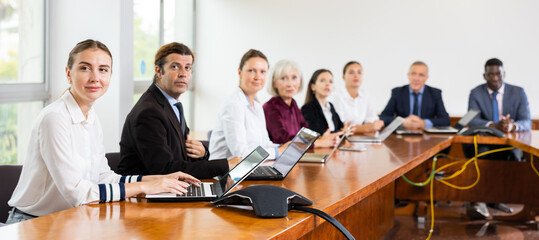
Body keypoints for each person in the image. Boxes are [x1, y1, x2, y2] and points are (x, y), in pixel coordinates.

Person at [6, 40, 200, 224]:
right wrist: (143, 187)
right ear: (68, 73)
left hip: (71, 219)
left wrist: (156, 179)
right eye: (84, 68)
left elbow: (103, 178)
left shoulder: (90, 117)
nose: (95, 78)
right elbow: (78, 194)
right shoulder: (54, 118)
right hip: (33, 223)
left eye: (103, 70)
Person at [118, 42, 228, 179]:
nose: (183, 74)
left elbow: (180, 158)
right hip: (144, 195)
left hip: (169, 187)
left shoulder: (172, 104)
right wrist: (226, 165)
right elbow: (166, 170)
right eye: (175, 67)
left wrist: (202, 153)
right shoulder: (149, 112)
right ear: (158, 71)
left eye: (188, 68)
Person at [209, 49, 287, 160]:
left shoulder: (257, 104)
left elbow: (264, 143)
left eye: (263, 72)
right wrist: (278, 152)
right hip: (229, 173)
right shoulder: (234, 104)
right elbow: (240, 154)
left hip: (250, 167)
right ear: (240, 72)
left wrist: (284, 147)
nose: (257, 77)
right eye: (251, 71)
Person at [263, 60, 340, 147]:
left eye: (294, 78)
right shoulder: (270, 107)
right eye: (283, 78)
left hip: (297, 155)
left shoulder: (293, 103)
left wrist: (322, 138)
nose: (290, 84)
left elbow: (305, 130)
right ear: (274, 83)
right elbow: (283, 139)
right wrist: (319, 143)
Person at [380, 61, 450, 130]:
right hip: (402, 136)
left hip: (426, 137)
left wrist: (424, 123)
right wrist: (402, 122)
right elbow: (384, 117)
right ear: (408, 75)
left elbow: (445, 120)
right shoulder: (398, 92)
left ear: (426, 78)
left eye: (421, 75)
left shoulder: (435, 93)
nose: (416, 78)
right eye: (413, 74)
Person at [468, 58, 531, 132]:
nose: (495, 78)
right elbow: (472, 121)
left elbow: (526, 121)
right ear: (485, 76)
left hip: (512, 138)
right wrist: (494, 125)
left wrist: (512, 126)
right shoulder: (476, 93)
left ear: (504, 74)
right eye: (491, 75)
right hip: (486, 138)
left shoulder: (518, 92)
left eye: (498, 74)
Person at [331, 61, 384, 134]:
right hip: (344, 138)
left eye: (359, 72)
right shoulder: (337, 97)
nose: (356, 75)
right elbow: (342, 126)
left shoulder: (365, 95)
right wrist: (367, 128)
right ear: (343, 77)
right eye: (351, 72)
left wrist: (365, 127)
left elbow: (373, 119)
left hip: (363, 136)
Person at [301, 69, 353, 135]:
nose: (327, 84)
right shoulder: (308, 109)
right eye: (322, 81)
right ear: (313, 86)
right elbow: (317, 135)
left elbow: (341, 127)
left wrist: (346, 128)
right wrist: (342, 133)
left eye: (330, 81)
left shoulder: (330, 106)